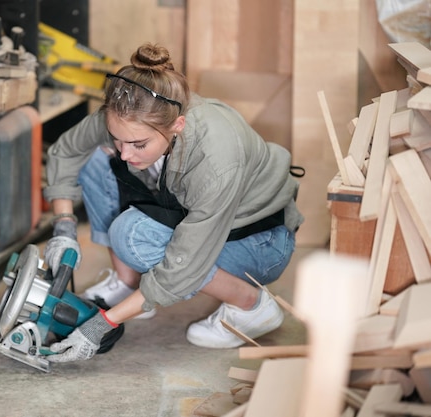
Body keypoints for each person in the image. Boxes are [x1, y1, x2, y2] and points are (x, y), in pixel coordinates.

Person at [41, 42, 304, 363]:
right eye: (118, 139)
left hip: (259, 242)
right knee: (97, 159)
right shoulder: (130, 114)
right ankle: (129, 285)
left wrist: (101, 324)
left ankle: (250, 305)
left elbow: (186, 263)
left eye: (138, 144)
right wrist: (64, 227)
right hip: (193, 212)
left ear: (177, 126)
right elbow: (66, 152)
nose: (125, 153)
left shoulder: (216, 158)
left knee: (133, 235)